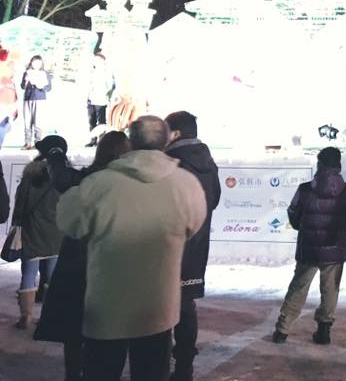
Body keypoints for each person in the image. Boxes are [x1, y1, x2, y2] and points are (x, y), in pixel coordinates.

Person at [56, 115, 207, 381]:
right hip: (158, 307)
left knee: (101, 372)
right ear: (167, 139)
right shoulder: (186, 185)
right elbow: (193, 228)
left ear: (131, 141)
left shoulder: (99, 184)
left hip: (107, 307)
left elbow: (69, 223)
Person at [35, 131, 132, 381]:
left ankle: (74, 374)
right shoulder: (132, 184)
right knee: (109, 336)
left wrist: (55, 153)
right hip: (113, 268)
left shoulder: (88, 180)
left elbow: (63, 180)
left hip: (81, 266)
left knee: (75, 330)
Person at [272, 146, 346, 346]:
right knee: (330, 289)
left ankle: (282, 330)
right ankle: (324, 331)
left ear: (319, 164)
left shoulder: (305, 189)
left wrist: (305, 228)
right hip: (335, 249)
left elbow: (293, 214)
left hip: (309, 247)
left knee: (299, 287)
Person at [164, 111, 221, 381]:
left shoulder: (170, 163)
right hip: (197, 247)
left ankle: (158, 366)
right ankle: (184, 367)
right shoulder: (209, 162)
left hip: (168, 247)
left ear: (175, 133)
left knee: (160, 308)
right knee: (185, 306)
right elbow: (215, 200)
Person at [11, 135, 65, 330]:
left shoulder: (30, 175)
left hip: (32, 232)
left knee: (28, 274)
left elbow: (20, 205)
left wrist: (16, 224)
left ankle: (25, 317)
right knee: (51, 276)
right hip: (57, 234)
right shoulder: (66, 177)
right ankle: (48, 318)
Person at [21, 54, 51, 149]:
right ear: (31, 63)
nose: (36, 64)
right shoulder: (27, 72)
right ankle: (27, 143)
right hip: (28, 98)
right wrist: (26, 81)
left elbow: (48, 87)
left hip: (40, 98)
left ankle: (38, 143)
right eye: (34, 62)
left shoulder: (44, 73)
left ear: (41, 63)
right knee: (27, 121)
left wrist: (40, 86)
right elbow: (22, 86)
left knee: (38, 122)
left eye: (38, 63)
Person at [86, 52, 113, 146]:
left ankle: (101, 140)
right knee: (91, 120)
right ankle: (92, 140)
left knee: (101, 121)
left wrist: (104, 93)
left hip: (101, 99)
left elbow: (110, 86)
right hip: (91, 98)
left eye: (98, 60)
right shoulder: (91, 72)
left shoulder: (106, 73)